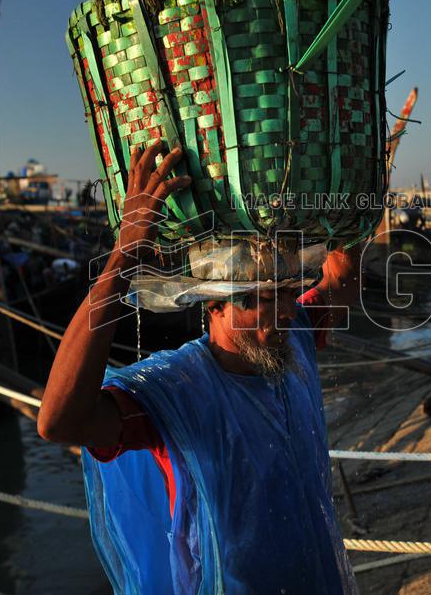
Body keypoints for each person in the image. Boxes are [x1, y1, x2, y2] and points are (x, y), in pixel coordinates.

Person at [38, 139, 361, 593]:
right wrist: (125, 252)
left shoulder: (292, 342)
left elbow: (339, 281)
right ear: (215, 306)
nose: (288, 311)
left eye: (290, 292)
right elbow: (60, 422)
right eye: (266, 299)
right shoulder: (172, 394)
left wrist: (345, 191)